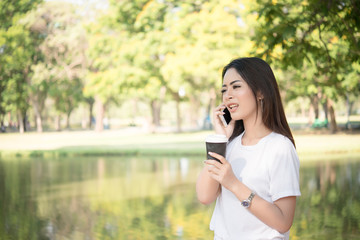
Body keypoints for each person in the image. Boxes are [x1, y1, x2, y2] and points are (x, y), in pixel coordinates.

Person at [196, 57, 301, 240]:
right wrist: (221, 139)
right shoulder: (230, 144)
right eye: (224, 89)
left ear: (260, 91)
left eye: (236, 87)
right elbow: (204, 196)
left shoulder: (280, 147)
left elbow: (283, 221)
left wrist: (234, 184)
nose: (228, 95)